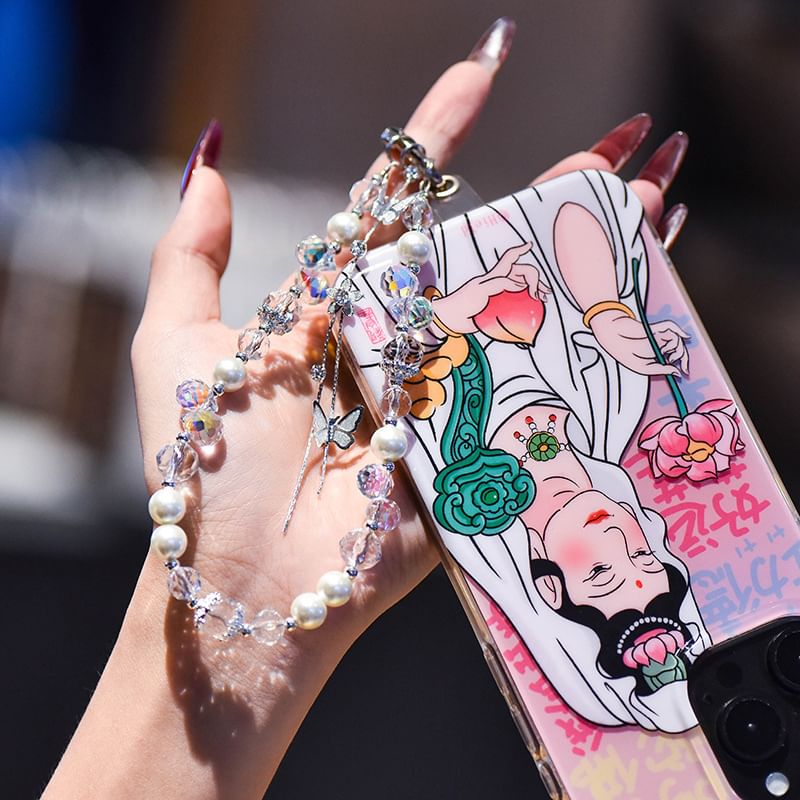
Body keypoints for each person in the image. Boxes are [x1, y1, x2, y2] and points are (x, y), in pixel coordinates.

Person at [42, 17, 689, 799]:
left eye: (603, 575)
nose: (616, 544)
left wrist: (243, 590)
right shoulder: (607, 413)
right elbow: (583, 227)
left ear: (551, 586)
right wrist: (605, 308)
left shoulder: (450, 465)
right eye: (641, 563)